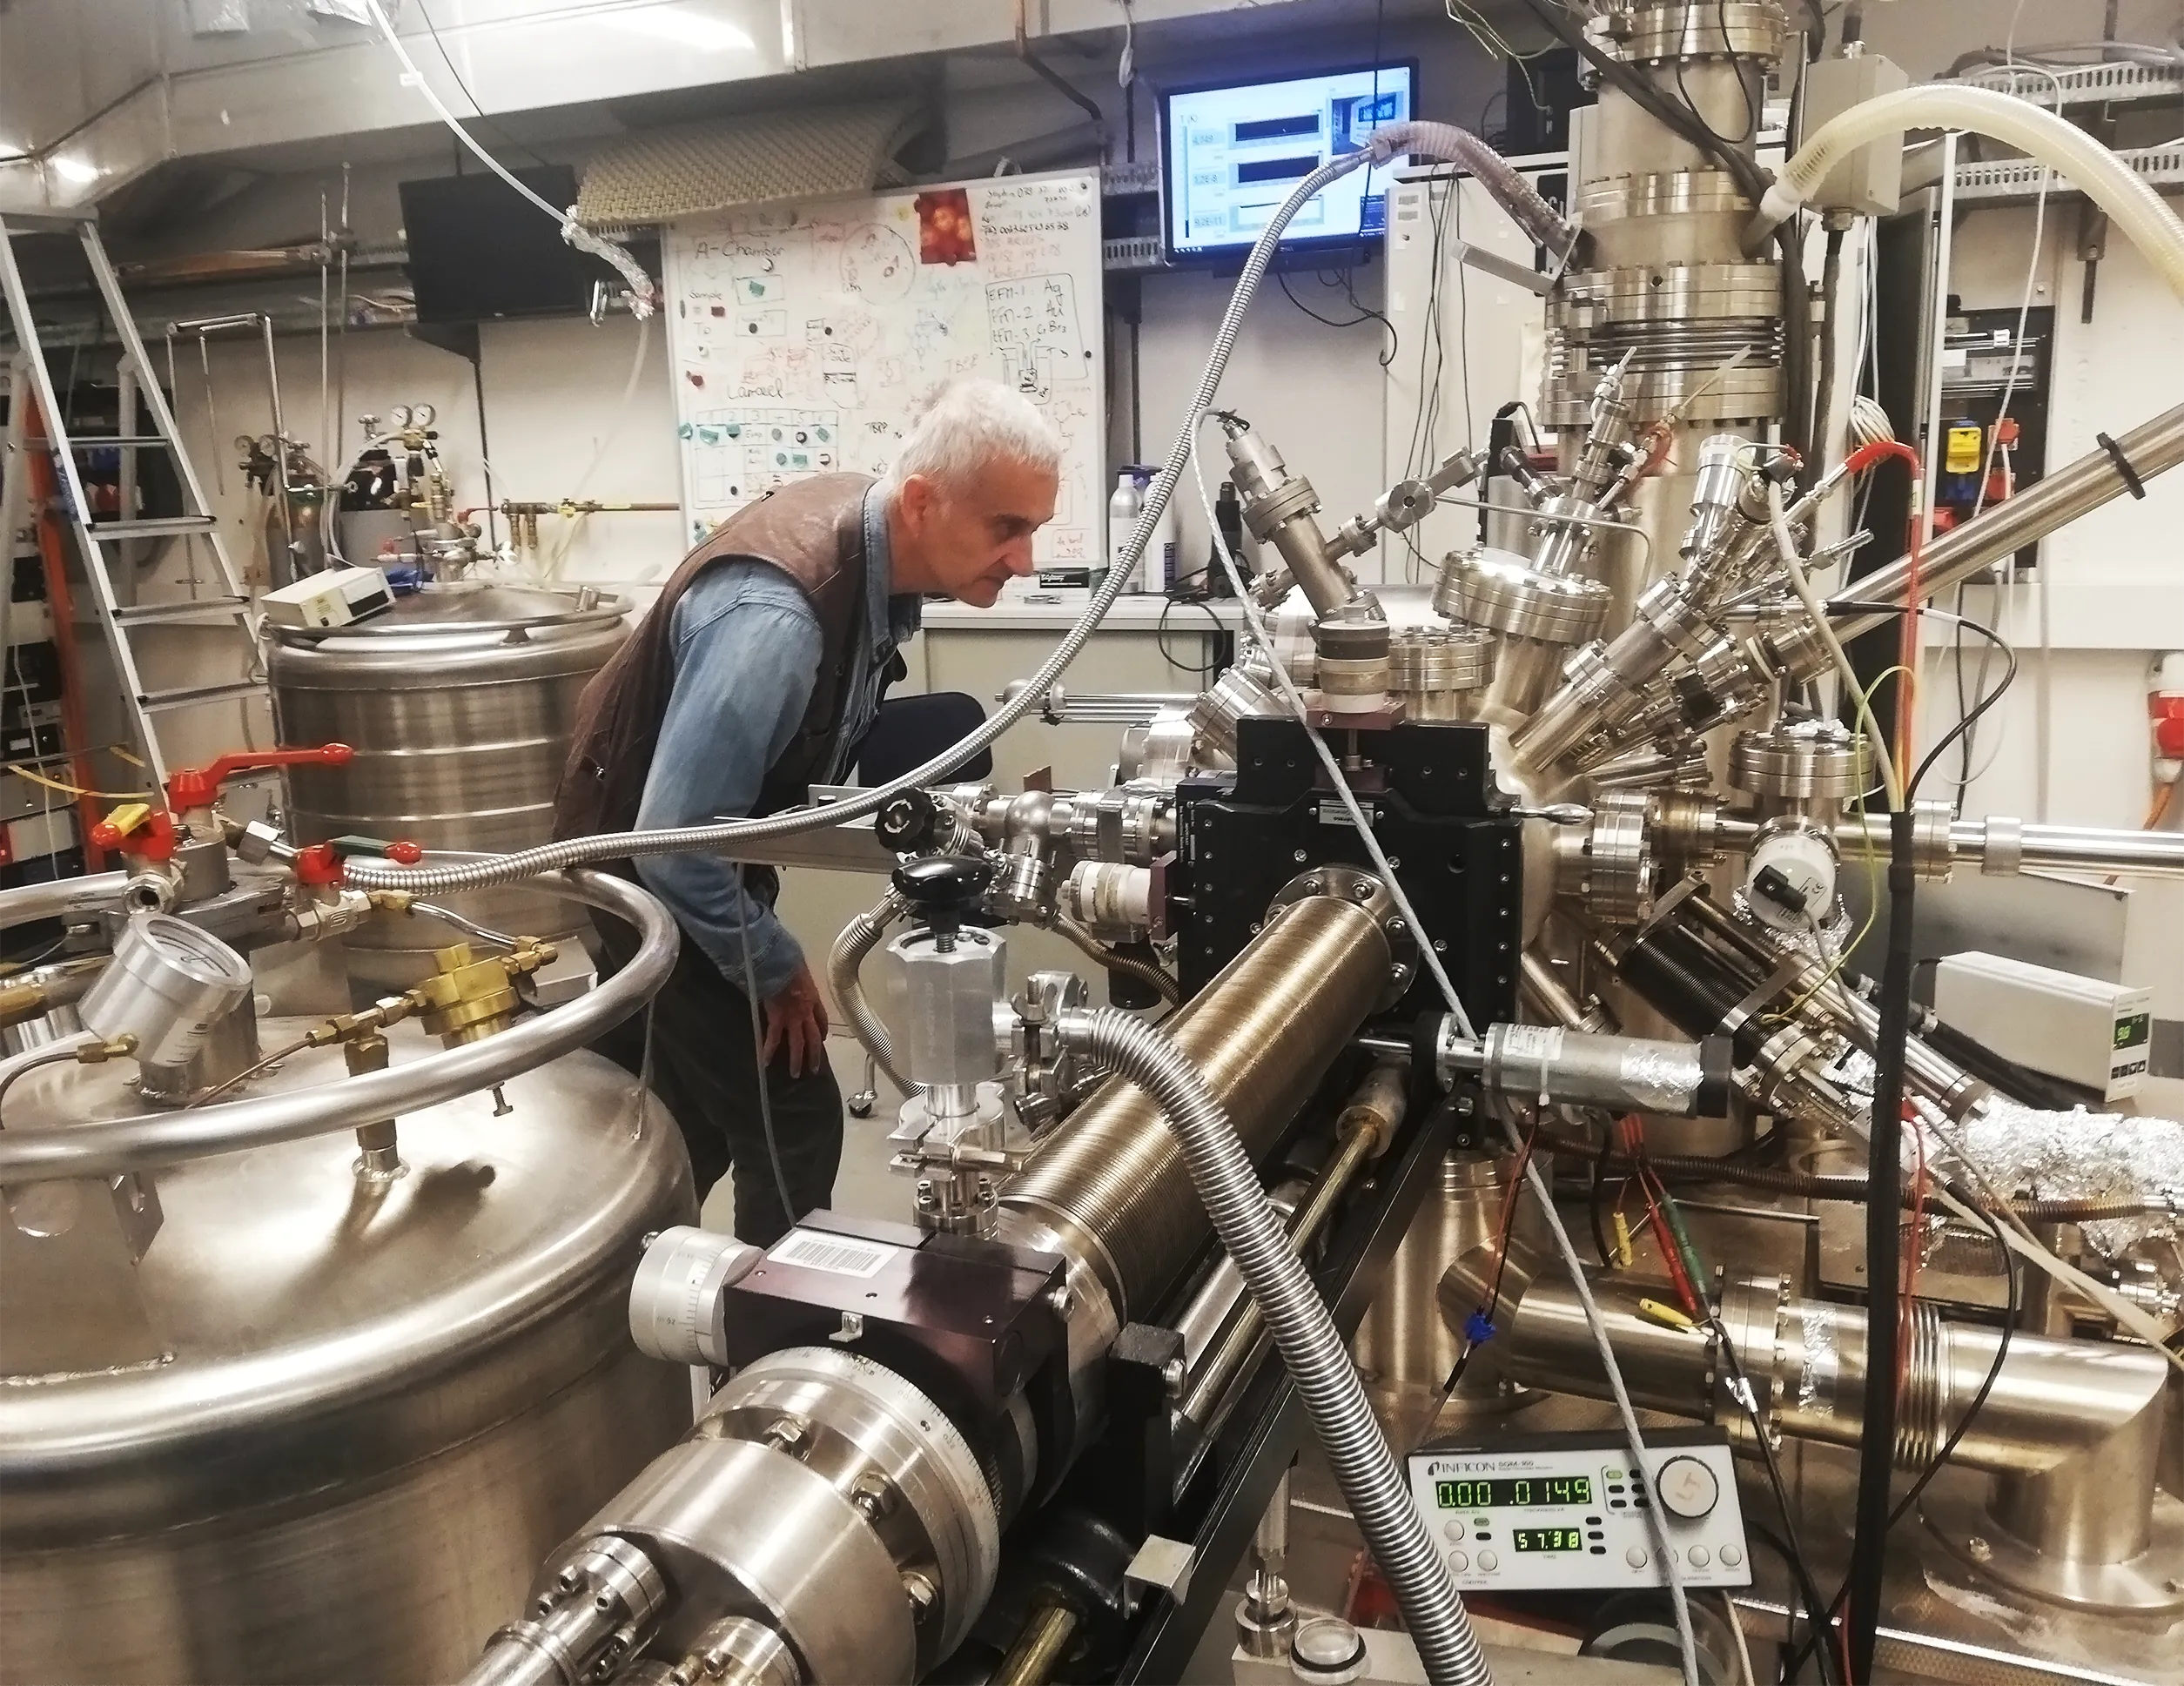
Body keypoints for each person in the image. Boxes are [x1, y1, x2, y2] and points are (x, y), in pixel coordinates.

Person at [554, 379, 1062, 1244]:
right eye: (1004, 528)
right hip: (641, 878)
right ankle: (774, 1366)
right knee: (791, 1117)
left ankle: (612, 1302)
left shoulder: (869, 538)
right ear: (923, 502)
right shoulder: (776, 619)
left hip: (671, 862)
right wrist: (775, 961)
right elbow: (675, 845)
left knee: (693, 1117)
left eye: (1033, 530)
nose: (1025, 563)